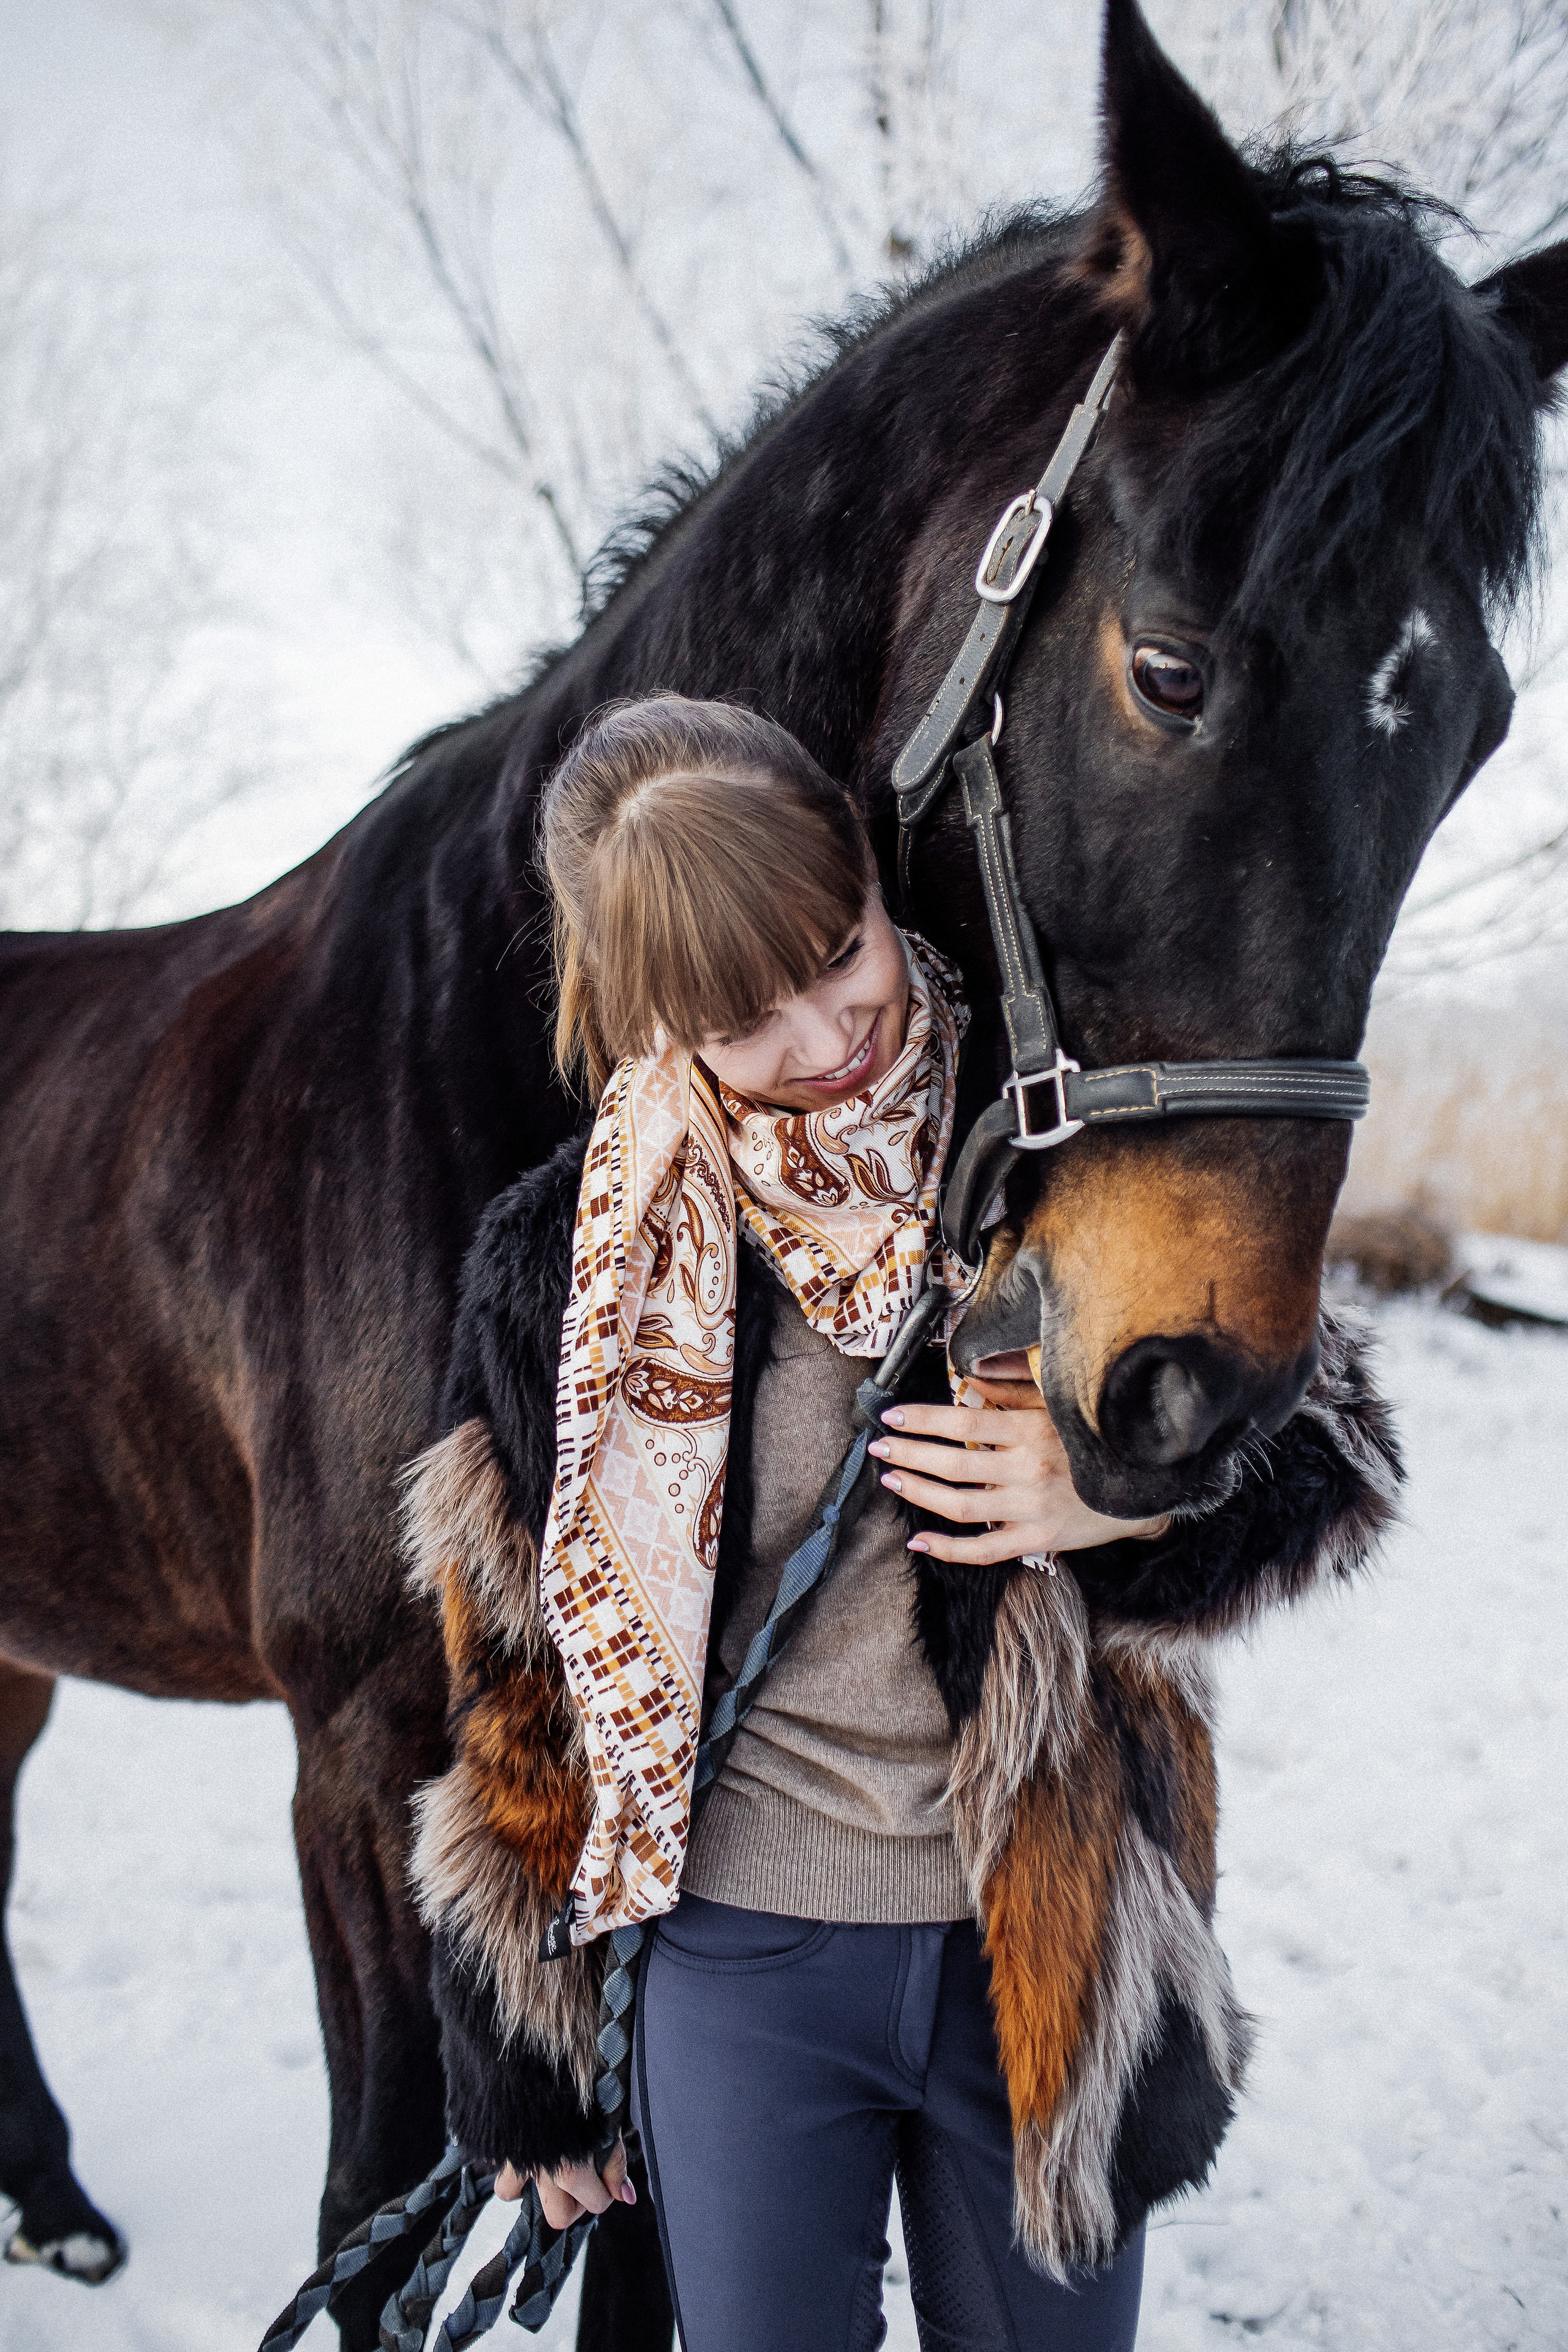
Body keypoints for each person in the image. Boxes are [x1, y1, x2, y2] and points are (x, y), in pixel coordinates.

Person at [405, 696, 1400, 2352]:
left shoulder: (1078, 1157)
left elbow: (1340, 1450)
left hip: (1049, 1936)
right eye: (743, 1018)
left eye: (838, 950)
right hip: (738, 1969)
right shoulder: (566, 1268)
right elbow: (514, 1677)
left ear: (877, 877)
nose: (823, 1036)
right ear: (649, 1020)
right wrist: (520, 2055)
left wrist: (1114, 1494)